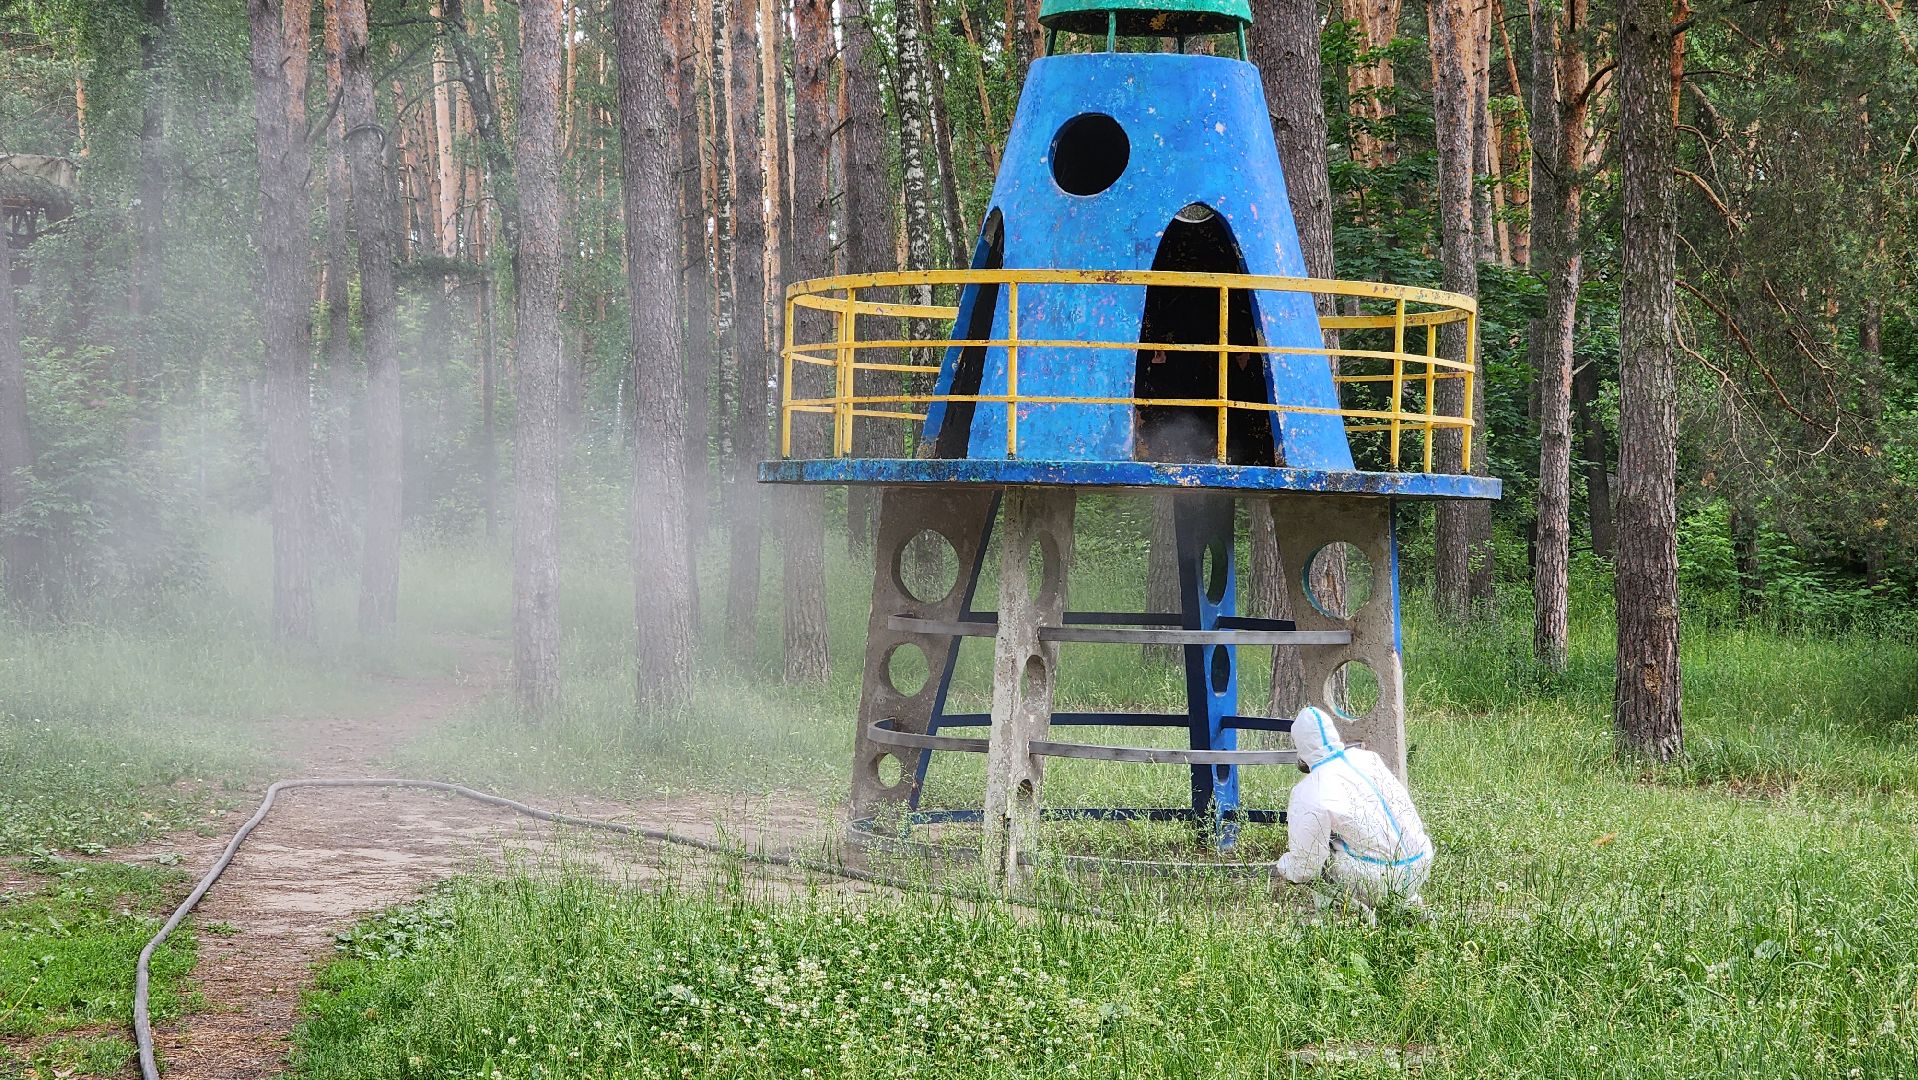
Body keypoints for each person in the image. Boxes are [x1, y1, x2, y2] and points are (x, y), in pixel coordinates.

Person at [1276, 705, 1434, 915]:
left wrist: (1285, 867)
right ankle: (1407, 903)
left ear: (1301, 747)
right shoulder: (1368, 759)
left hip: (1376, 878)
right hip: (1421, 862)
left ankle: (1350, 914)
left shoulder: (1309, 789)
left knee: (1322, 855)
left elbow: (1307, 865)